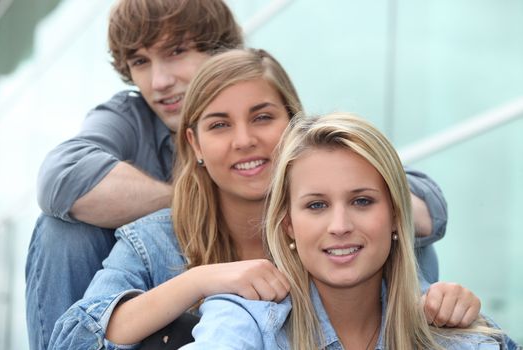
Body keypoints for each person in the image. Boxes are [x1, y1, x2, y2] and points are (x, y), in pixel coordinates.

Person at [50, 49, 482, 350]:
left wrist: (446, 304)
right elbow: (72, 339)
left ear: (294, 123)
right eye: (219, 125)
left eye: (262, 117)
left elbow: (417, 206)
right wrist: (201, 281)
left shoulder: (342, 228)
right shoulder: (155, 239)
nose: (245, 141)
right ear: (195, 144)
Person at [181, 112, 518, 349]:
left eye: (361, 201)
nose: (340, 226)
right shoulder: (244, 319)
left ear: (397, 217)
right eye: (316, 205)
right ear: (288, 225)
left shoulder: (458, 334)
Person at [25, 1, 243, 349]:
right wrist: (199, 203)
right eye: (140, 62)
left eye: (176, 51)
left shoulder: (259, 105)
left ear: (219, 50)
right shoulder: (131, 115)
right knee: (63, 231)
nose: (159, 82)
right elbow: (61, 176)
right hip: (139, 315)